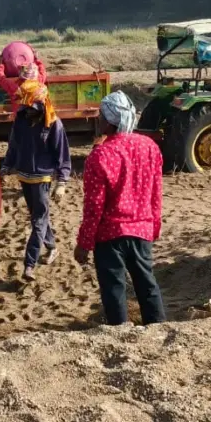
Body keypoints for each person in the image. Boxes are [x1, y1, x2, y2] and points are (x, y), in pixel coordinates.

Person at [74, 91, 166, 326]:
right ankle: (158, 328)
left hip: (110, 235)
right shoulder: (150, 147)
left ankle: (119, 332)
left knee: (114, 289)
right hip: (142, 230)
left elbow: (94, 206)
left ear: (109, 121)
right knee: (147, 283)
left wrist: (84, 243)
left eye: (101, 116)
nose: (98, 120)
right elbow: (155, 193)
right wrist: (154, 227)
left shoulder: (100, 156)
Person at [0, 74, 71, 281]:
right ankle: (52, 247)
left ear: (41, 105)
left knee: (38, 221)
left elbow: (63, 155)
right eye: (25, 107)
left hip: (42, 178)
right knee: (38, 216)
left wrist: (62, 182)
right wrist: (6, 167)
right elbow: (13, 146)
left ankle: (29, 265)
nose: (28, 110)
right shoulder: (21, 120)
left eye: (32, 107)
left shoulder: (54, 124)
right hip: (24, 177)